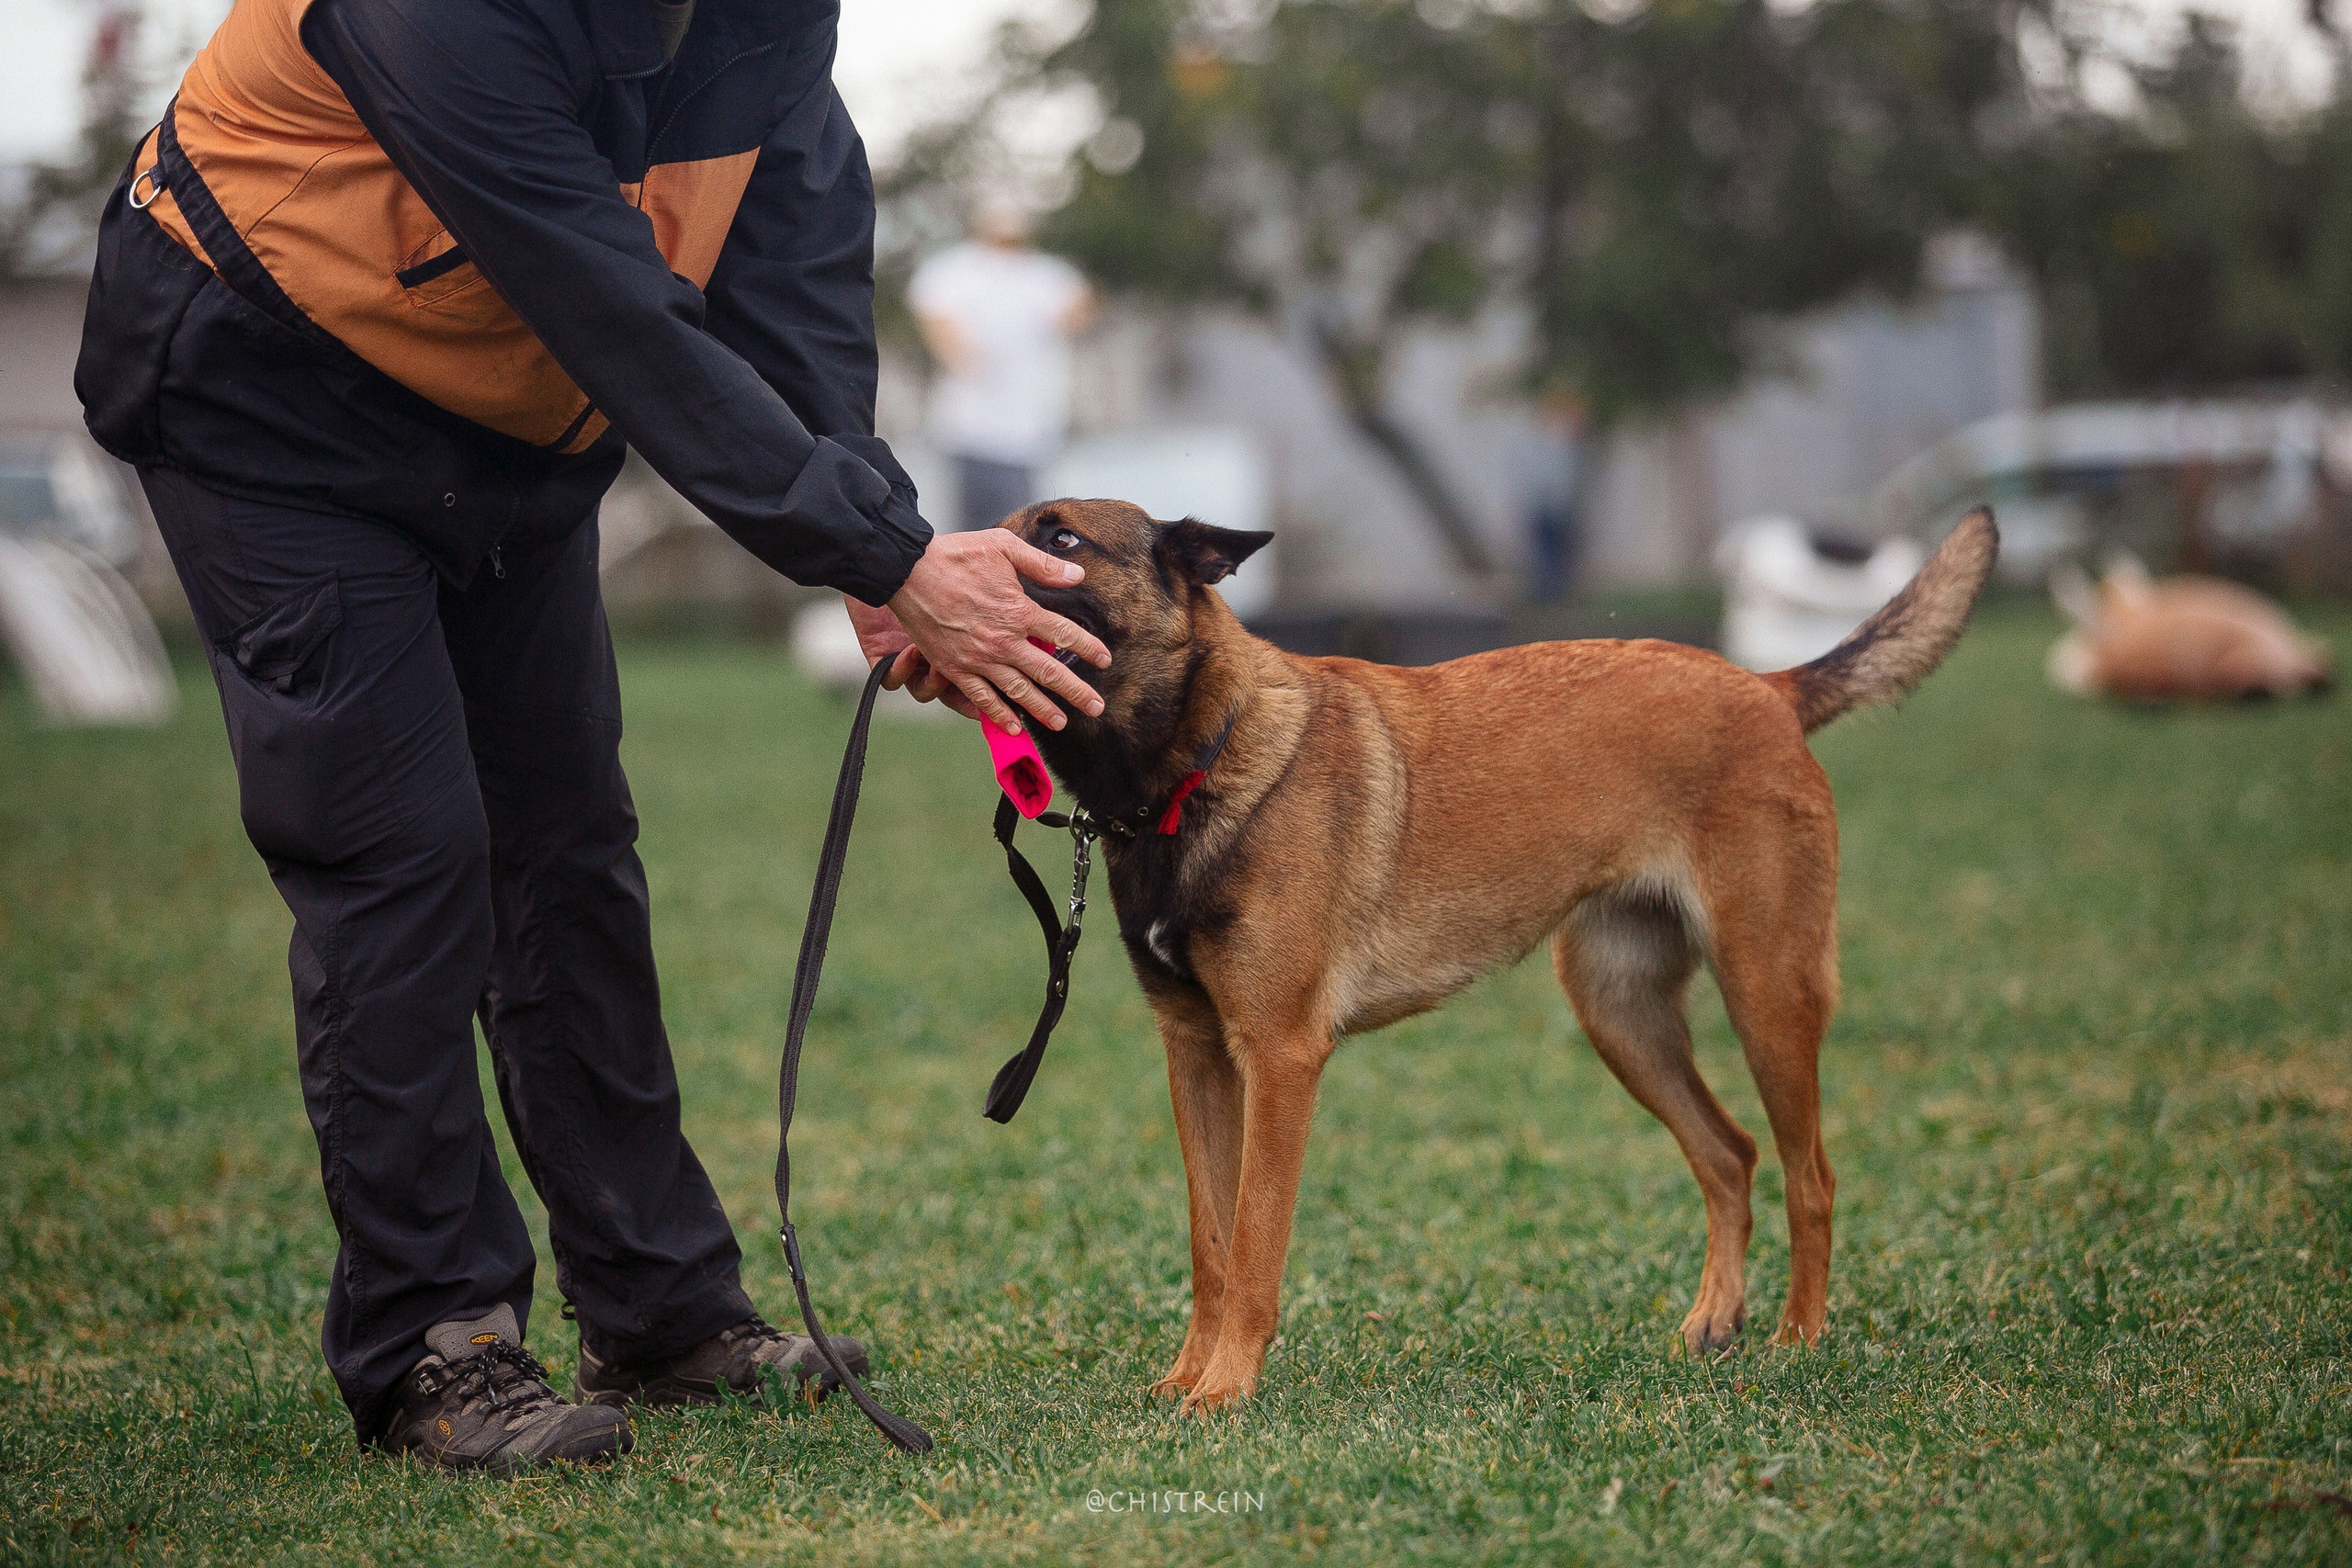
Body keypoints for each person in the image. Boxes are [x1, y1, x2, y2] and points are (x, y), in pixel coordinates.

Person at [74, 0, 1107, 1474]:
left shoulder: (768, 18)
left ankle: (664, 1308)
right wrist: (884, 558)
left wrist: (868, 541)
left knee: (570, 850)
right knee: (404, 853)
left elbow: (793, 262)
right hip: (273, 398)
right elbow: (611, 300)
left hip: (506, 434)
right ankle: (439, 1343)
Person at [910, 200, 1096, 531]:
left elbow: (1080, 308)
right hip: (971, 428)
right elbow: (935, 318)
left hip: (1029, 432)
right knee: (977, 532)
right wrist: (961, 354)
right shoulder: (955, 269)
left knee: (1025, 532)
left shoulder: (1045, 274)